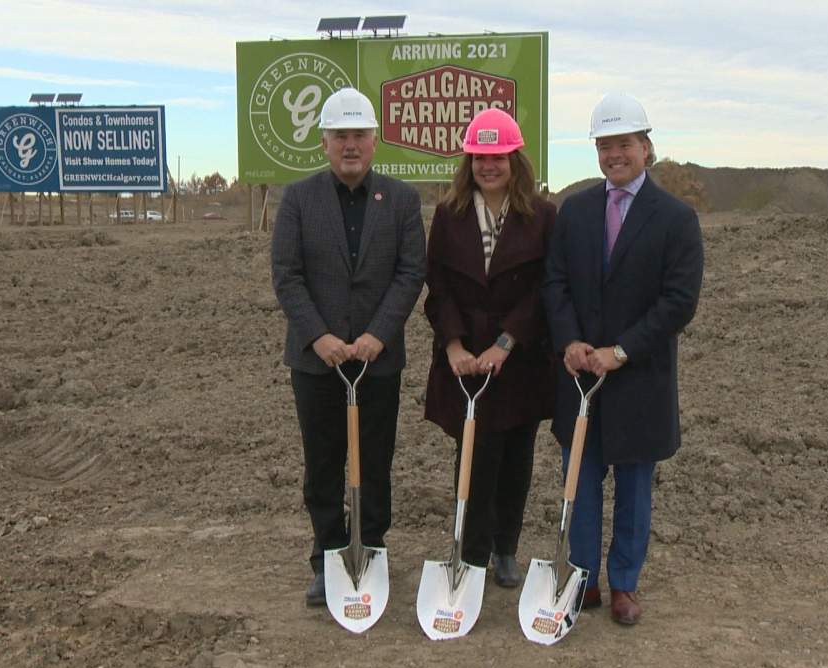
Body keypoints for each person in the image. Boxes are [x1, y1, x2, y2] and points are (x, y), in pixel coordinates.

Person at [542, 93, 704, 625]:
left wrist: (622, 350)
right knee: (580, 484)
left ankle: (625, 585)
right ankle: (582, 577)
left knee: (635, 490)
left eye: (624, 144)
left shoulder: (676, 219)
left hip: (640, 379)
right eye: (605, 145)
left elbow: (678, 301)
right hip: (580, 374)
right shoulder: (577, 211)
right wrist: (570, 341)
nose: (615, 154)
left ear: (646, 147)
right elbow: (556, 282)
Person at [270, 87, 426, 607]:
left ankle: (372, 549)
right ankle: (328, 556)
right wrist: (320, 337)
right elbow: (287, 275)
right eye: (341, 136)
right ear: (325, 143)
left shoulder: (401, 200)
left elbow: (410, 273)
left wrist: (377, 335)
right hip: (316, 364)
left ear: (375, 141)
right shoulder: (298, 199)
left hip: (376, 362)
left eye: (359, 134)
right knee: (323, 462)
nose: (350, 145)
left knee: (375, 461)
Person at [423, 108, 557, 588]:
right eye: (480, 156)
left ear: (514, 159)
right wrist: (455, 345)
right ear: (469, 161)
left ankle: (505, 550)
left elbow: (545, 287)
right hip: (465, 363)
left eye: (498, 156)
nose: (488, 166)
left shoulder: (541, 215)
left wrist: (506, 343)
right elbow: (437, 284)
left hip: (518, 362)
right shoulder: (449, 213)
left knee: (516, 462)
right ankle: (471, 551)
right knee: (474, 459)